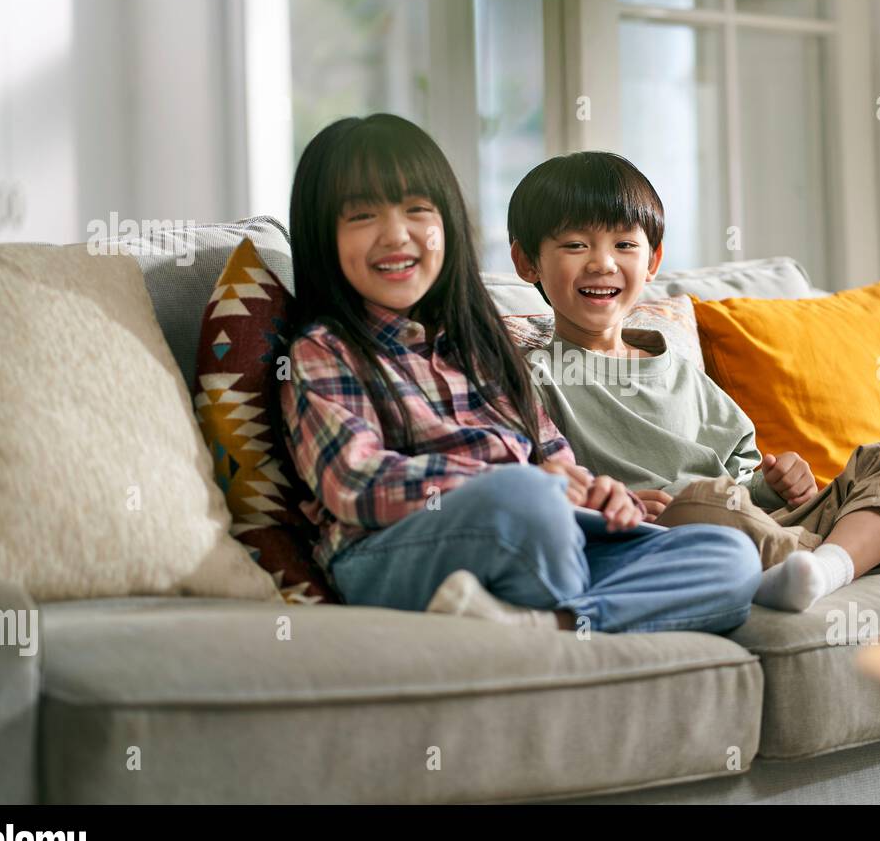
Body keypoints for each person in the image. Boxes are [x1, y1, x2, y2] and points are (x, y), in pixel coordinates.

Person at [278, 114, 761, 634]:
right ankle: (587, 605)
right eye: (363, 215)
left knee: (728, 555)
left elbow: (553, 455)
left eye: (417, 209)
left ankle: (549, 623)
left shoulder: (483, 346)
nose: (396, 235)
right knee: (525, 503)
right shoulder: (324, 350)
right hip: (399, 549)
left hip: (543, 530)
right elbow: (355, 483)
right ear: (322, 236)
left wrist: (600, 492)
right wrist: (516, 483)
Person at [507, 151, 880, 612]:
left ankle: (830, 564)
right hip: (673, 529)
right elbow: (540, 481)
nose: (602, 263)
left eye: (624, 245)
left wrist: (778, 485)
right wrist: (610, 504)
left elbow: (743, 481)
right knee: (705, 501)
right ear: (527, 261)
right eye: (576, 245)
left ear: (653, 259)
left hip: (758, 518)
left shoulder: (676, 367)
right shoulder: (533, 377)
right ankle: (872, 546)